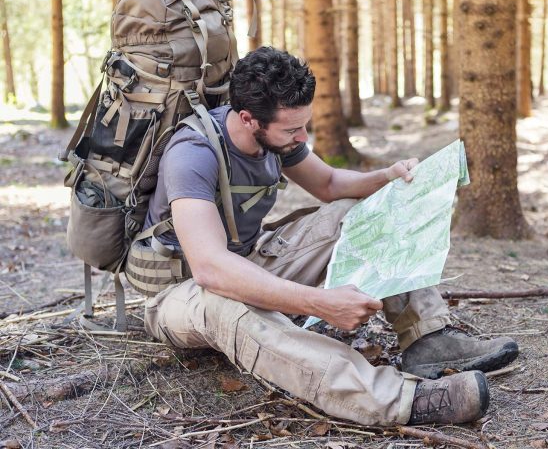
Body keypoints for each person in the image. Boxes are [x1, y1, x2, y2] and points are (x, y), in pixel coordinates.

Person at [137, 47, 519, 426]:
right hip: (181, 294)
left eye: (305, 124)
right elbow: (210, 269)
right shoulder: (193, 153)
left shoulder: (277, 134)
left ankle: (428, 338)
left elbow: (331, 183)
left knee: (355, 213)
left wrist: (387, 177)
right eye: (292, 130)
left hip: (245, 261)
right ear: (248, 119)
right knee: (224, 304)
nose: (302, 137)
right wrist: (318, 303)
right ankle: (398, 400)